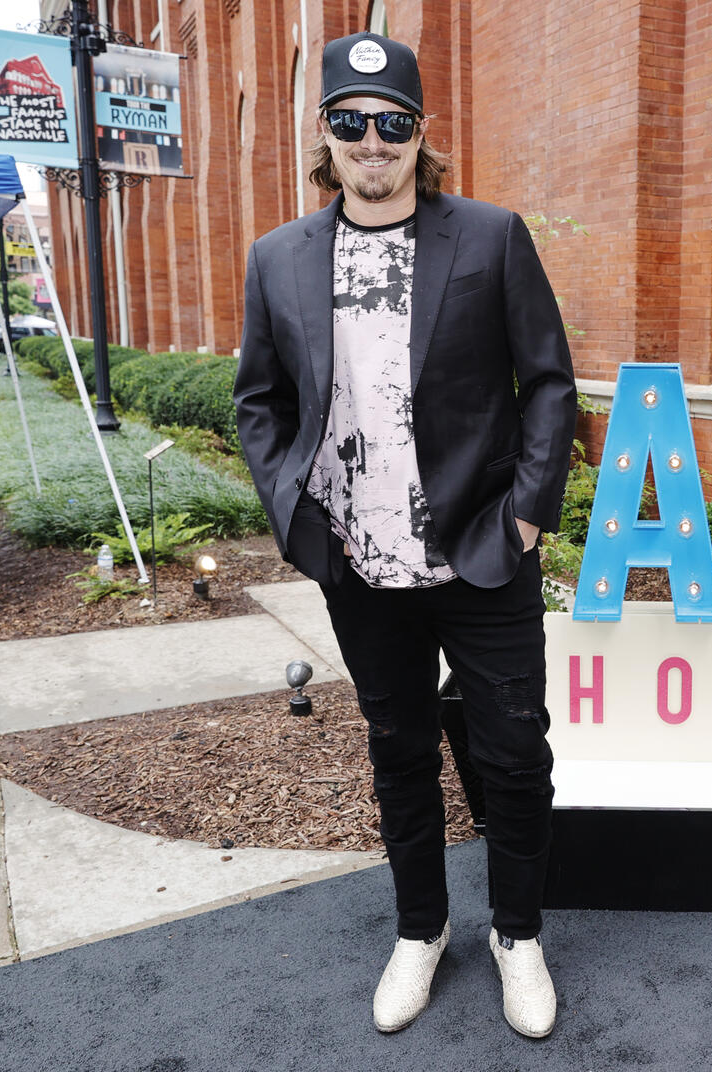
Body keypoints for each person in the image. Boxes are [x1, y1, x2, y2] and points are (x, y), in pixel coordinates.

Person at [234, 31, 576, 1039]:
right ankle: (420, 930)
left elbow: (547, 380)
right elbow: (259, 402)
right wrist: (295, 518)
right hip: (355, 558)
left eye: (391, 124)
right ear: (326, 135)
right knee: (398, 749)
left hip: (479, 549)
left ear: (421, 134)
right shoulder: (277, 259)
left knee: (514, 753)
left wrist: (523, 512)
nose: (371, 142)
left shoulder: (489, 236)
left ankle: (517, 935)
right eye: (351, 123)